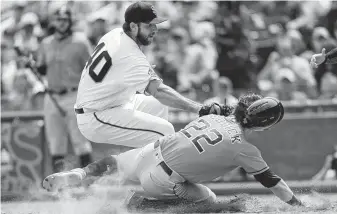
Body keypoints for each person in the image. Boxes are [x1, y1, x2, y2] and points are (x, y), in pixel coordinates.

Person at [43, 93, 304, 209]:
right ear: (264, 127)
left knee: (115, 162)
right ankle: (143, 206)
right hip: (164, 179)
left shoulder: (213, 118)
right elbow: (274, 183)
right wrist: (298, 204)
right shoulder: (246, 149)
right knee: (209, 202)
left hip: (151, 152)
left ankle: (78, 174)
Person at [74, 2, 217, 149]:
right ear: (133, 26)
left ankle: (147, 162)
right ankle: (149, 166)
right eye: (149, 25)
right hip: (96, 115)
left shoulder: (115, 33)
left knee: (158, 106)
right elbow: (159, 91)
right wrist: (200, 108)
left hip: (112, 102)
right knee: (164, 131)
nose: (155, 29)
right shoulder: (130, 55)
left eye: (156, 24)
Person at [34, 5, 94, 172]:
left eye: (65, 20)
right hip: (52, 96)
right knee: (55, 141)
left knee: (79, 139)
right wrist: (32, 65)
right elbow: (42, 68)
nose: (61, 23)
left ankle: (88, 180)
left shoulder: (80, 41)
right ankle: (59, 186)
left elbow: (92, 69)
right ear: (54, 21)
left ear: (70, 21)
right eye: (59, 20)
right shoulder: (46, 43)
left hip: (74, 94)